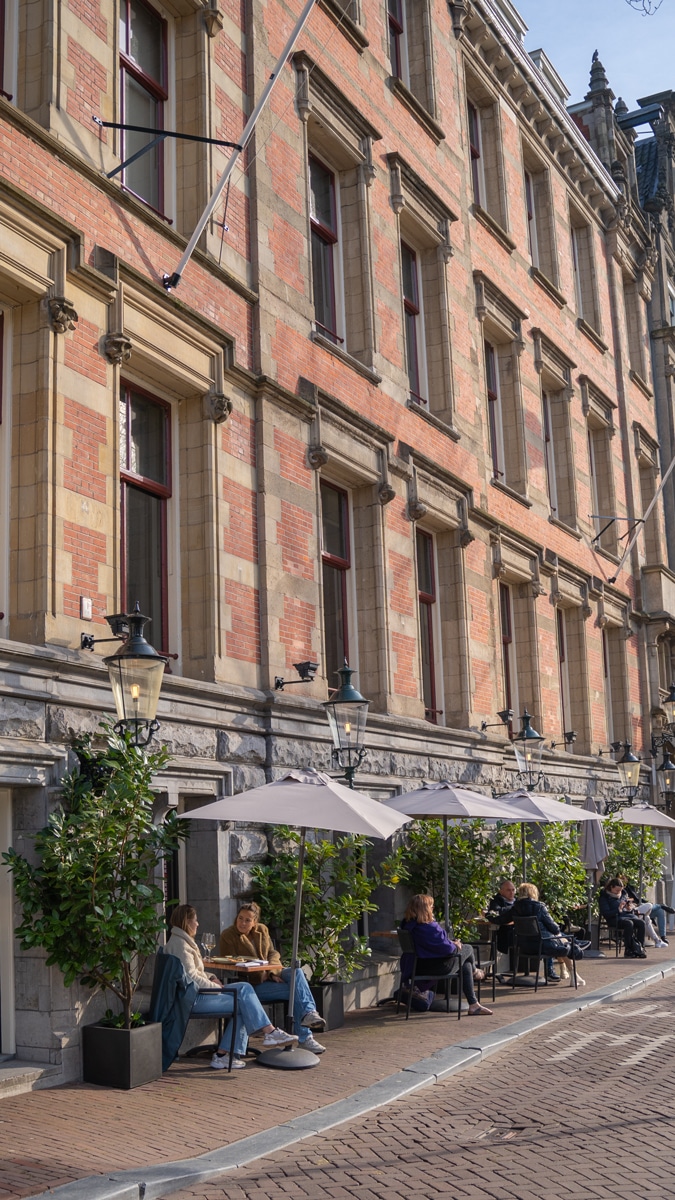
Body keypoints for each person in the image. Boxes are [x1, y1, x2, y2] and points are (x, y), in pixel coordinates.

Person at [166, 904, 297, 1069]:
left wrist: (212, 977)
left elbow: (192, 973)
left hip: (195, 995)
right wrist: (217, 988)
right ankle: (267, 1034)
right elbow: (192, 978)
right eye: (195, 920)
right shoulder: (181, 945)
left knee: (244, 990)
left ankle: (224, 1054)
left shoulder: (181, 941)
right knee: (243, 1000)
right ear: (187, 922)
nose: (198, 924)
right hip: (193, 999)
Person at [219, 902, 327, 1054]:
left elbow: (273, 953)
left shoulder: (262, 930)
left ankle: (309, 1014)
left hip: (270, 975)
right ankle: (305, 1038)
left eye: (247, 920)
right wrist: (261, 974)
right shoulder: (228, 935)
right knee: (296, 991)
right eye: (240, 918)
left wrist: (272, 973)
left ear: (254, 921)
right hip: (250, 985)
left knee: (296, 973)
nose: (242, 923)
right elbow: (232, 962)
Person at [400, 894, 493, 1016]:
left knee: (466, 965)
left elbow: (433, 945)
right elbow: (448, 950)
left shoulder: (408, 925)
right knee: (468, 948)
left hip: (417, 966)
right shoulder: (428, 927)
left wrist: (451, 943)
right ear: (425, 909)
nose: (433, 909)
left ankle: (474, 1005)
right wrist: (456, 945)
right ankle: (476, 972)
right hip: (437, 967)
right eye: (431, 906)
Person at [499, 883, 585, 985]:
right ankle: (574, 968)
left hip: (523, 947)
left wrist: (489, 914)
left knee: (562, 939)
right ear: (533, 893)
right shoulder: (539, 907)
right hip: (543, 946)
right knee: (563, 940)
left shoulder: (515, 908)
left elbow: (501, 919)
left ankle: (575, 971)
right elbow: (555, 928)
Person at [487, 879, 559, 982]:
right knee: (553, 937)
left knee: (549, 936)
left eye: (513, 890)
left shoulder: (518, 905)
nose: (512, 892)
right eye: (508, 890)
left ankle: (555, 969)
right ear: (501, 891)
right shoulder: (502, 902)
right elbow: (496, 914)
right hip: (516, 937)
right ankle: (553, 970)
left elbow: (500, 918)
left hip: (523, 940)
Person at [618, 876, 672, 948]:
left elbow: (635, 899)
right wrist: (623, 906)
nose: (624, 881)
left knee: (651, 916)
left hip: (634, 910)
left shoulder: (627, 890)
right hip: (629, 915)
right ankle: (661, 906)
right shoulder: (615, 895)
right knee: (648, 908)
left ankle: (660, 939)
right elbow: (618, 908)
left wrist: (630, 905)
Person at [598, 879, 646, 958]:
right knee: (629, 924)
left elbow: (628, 908)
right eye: (617, 890)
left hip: (627, 916)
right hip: (614, 919)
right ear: (611, 887)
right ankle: (628, 950)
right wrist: (618, 909)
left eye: (620, 890)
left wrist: (629, 908)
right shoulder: (605, 897)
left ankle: (640, 948)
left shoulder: (623, 895)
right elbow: (606, 913)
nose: (618, 892)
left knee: (641, 923)